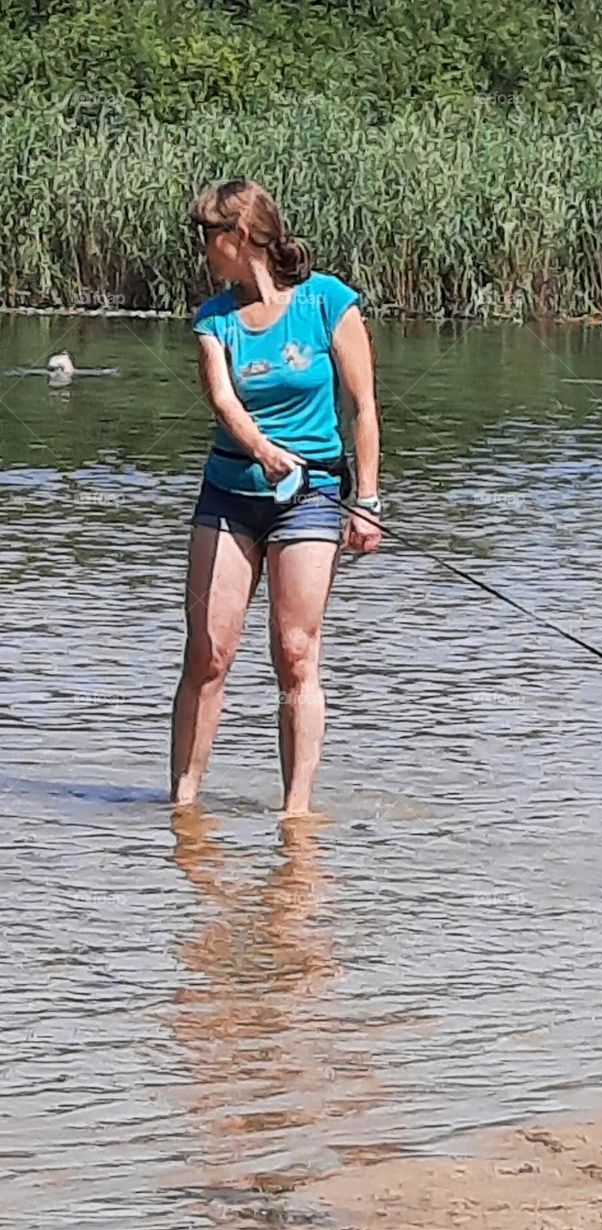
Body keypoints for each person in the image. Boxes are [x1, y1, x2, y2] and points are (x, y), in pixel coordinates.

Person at [171, 178, 382, 814]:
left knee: (295, 653)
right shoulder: (214, 319)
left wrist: (367, 499)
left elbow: (364, 406)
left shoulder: (328, 303)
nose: (204, 248)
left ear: (239, 237)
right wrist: (264, 452)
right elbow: (222, 399)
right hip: (231, 493)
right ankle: (183, 806)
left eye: (210, 235)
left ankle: (296, 813)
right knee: (209, 652)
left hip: (314, 496)